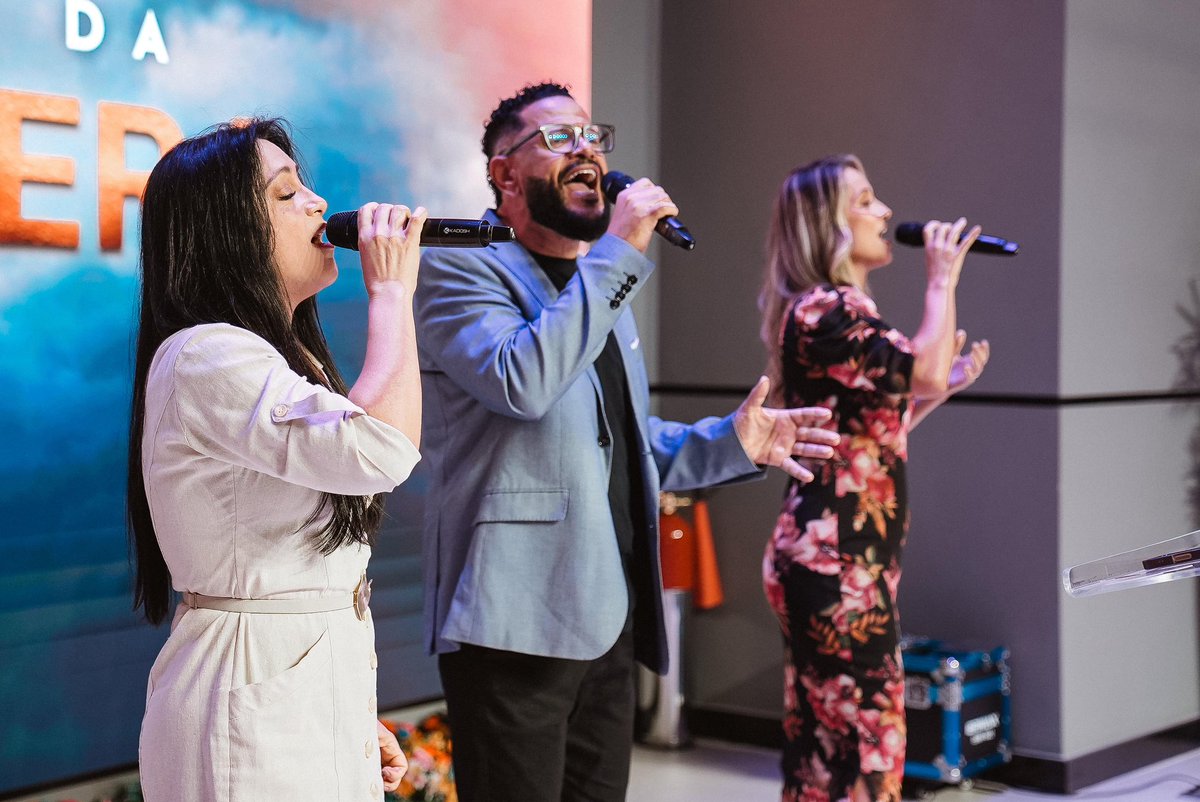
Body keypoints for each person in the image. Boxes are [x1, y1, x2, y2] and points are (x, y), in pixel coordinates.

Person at [413, 81, 841, 802]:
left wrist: (733, 441)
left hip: (604, 613)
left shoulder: (593, 282)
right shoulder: (461, 268)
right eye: (557, 138)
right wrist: (618, 253)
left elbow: (617, 442)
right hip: (513, 624)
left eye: (592, 136)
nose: (586, 150)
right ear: (503, 172)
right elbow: (523, 381)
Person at [127, 117, 426, 801]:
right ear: (224, 233)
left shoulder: (283, 359)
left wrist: (345, 714)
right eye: (286, 194)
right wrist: (391, 294)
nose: (320, 204)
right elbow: (382, 447)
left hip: (287, 680)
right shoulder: (206, 353)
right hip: (247, 685)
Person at [757, 154, 991, 802]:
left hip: (843, 560)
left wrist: (940, 388)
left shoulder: (837, 310)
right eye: (865, 201)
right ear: (827, 224)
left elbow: (874, 433)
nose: (885, 212)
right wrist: (941, 279)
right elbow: (924, 369)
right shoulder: (826, 311)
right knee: (867, 745)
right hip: (836, 566)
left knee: (830, 750)